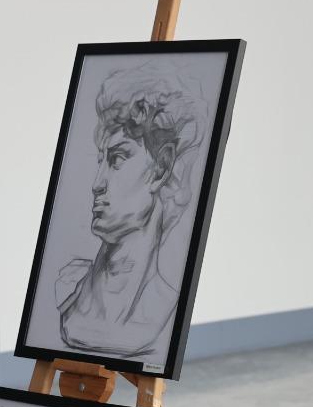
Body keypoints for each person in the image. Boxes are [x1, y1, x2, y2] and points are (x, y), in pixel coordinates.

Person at [56, 62, 208, 359]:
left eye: (116, 160)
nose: (97, 184)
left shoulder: (161, 307)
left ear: (161, 167)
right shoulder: (67, 288)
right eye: (100, 162)